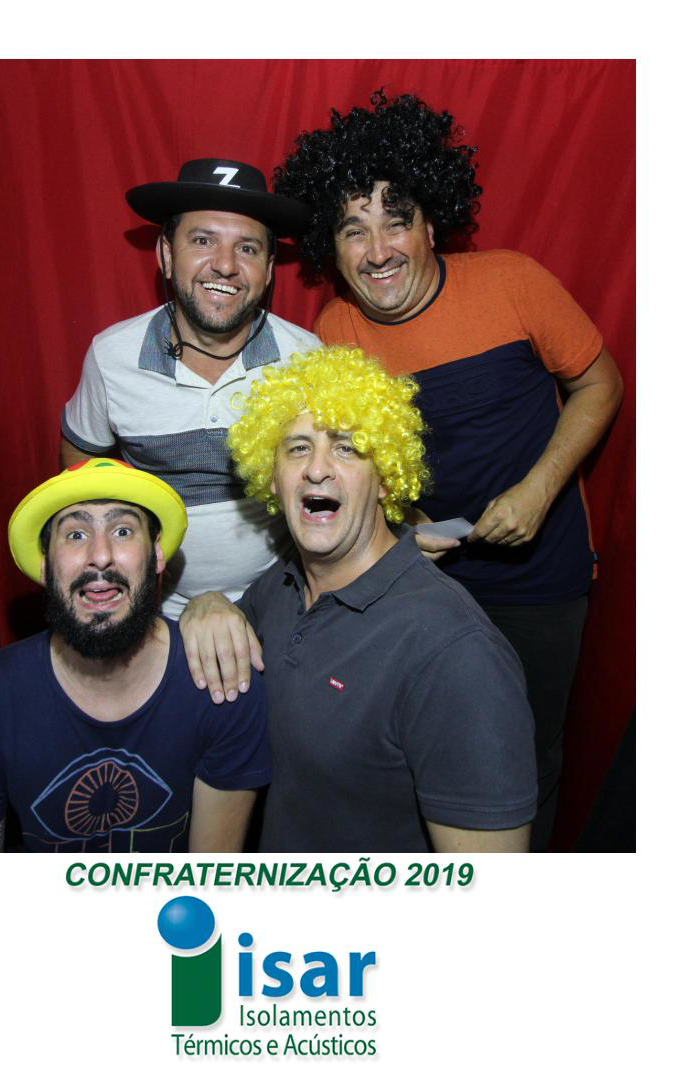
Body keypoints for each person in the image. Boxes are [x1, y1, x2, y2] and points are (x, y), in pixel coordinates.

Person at [271, 91, 624, 850]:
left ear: (431, 225)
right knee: (415, 762)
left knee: (523, 764)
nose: (378, 250)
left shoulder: (514, 282)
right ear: (332, 249)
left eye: (396, 221)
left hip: (540, 581)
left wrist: (539, 488)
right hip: (415, 585)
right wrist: (402, 522)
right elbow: (352, 460)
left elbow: (601, 384)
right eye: (353, 229)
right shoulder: (335, 329)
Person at [181, 348, 537, 852]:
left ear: (386, 479)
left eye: (346, 448)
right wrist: (207, 604)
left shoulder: (457, 653)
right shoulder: (279, 587)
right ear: (273, 476)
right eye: (297, 448)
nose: (316, 470)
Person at [0, 458, 269, 853]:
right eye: (75, 535)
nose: (101, 555)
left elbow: (210, 874)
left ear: (157, 555)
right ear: (45, 565)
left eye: (123, 531)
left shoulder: (221, 685)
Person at [61, 158, 321, 622]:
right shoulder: (111, 357)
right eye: (203, 241)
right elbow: (79, 469)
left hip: (285, 600)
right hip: (156, 610)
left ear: (268, 268)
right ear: (165, 254)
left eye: (247, 248)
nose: (225, 265)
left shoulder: (306, 357)